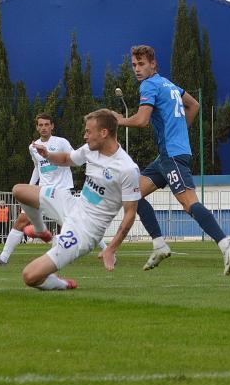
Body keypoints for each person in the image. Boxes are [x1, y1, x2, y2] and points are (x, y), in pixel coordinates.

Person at [114, 45, 230, 275]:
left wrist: (120, 121)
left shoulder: (149, 85)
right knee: (132, 193)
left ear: (153, 64)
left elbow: (142, 120)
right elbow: (194, 105)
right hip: (167, 155)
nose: (137, 69)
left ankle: (225, 244)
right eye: (134, 65)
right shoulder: (168, 84)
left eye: (141, 64)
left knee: (189, 203)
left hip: (172, 155)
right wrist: (178, 132)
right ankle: (159, 245)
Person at [18, 109, 141, 290]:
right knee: (19, 191)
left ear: (104, 133)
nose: (84, 136)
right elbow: (67, 158)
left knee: (29, 276)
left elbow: (130, 213)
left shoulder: (127, 169)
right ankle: (40, 230)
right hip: (72, 205)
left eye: (88, 132)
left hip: (85, 231)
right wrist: (48, 155)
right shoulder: (90, 150)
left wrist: (111, 248)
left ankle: (59, 283)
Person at [0, 113, 76, 266]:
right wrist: (30, 187)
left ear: (52, 126)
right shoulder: (33, 147)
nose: (44, 127)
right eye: (41, 125)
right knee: (21, 220)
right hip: (41, 191)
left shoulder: (61, 142)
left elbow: (73, 159)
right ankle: (3, 258)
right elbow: (37, 167)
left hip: (61, 190)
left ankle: (106, 250)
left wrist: (55, 158)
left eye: (46, 124)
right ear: (37, 127)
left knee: (72, 222)